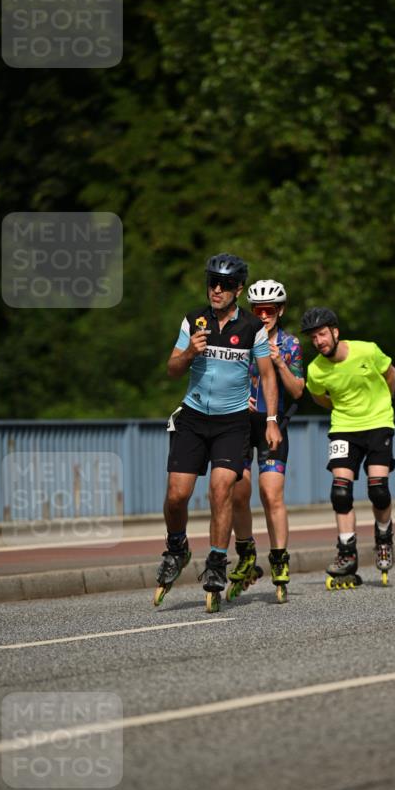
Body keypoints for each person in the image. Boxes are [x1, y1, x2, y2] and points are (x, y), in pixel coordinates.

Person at [155, 253, 282, 612]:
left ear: (238, 289)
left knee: (220, 489)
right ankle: (177, 548)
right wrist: (189, 354)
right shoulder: (194, 320)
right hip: (193, 418)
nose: (216, 289)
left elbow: (267, 375)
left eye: (225, 285)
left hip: (232, 422)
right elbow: (172, 369)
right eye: (212, 281)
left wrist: (272, 420)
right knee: (177, 496)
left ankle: (215, 564)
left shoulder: (252, 327)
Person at [300, 307, 395, 588]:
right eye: (313, 338)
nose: (318, 341)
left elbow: (391, 373)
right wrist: (342, 411)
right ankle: (346, 553)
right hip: (343, 427)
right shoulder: (315, 370)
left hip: (378, 422)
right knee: (340, 492)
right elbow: (319, 397)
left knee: (378, 488)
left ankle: (383, 538)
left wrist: (385, 405)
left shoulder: (367, 351)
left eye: (321, 334)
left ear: (335, 331)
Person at [228, 280, 304, 603]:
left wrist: (280, 363)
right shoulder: (239, 337)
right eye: (256, 310)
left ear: (279, 311)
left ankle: (279, 559)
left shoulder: (290, 343)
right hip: (241, 424)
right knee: (236, 490)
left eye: (268, 311)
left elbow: (299, 390)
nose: (262, 316)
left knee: (270, 493)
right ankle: (247, 554)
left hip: (273, 425)